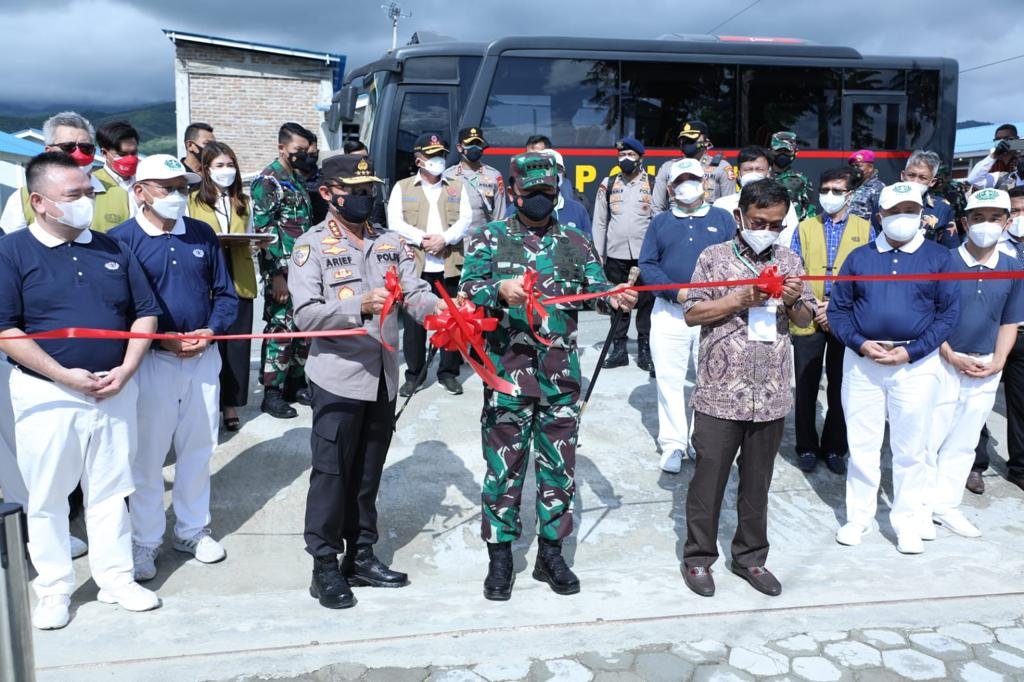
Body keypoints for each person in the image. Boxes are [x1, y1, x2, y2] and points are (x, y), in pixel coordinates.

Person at [459, 152, 637, 601]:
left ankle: (550, 555)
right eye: (531, 193)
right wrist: (498, 290)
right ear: (514, 191)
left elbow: (596, 290)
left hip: (561, 378)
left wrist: (615, 297)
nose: (540, 200)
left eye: (548, 193)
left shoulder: (573, 239)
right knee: (504, 470)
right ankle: (500, 557)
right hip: (507, 376)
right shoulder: (489, 237)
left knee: (559, 470)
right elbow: (466, 290)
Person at [0, 152, 163, 629]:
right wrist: (62, 375)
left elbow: (145, 313)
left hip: (115, 389)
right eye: (73, 196)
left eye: (88, 193)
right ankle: (53, 588)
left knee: (112, 491)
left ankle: (115, 578)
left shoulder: (113, 249)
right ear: (39, 202)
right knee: (47, 495)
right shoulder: (12, 252)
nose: (85, 202)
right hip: (47, 396)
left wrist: (128, 369)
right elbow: (6, 329)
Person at [289, 154, 444, 609]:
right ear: (328, 195)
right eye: (354, 191)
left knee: (367, 474)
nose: (364, 197)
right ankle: (323, 566)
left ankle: (360, 556)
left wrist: (445, 315)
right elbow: (304, 316)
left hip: (383, 376)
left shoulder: (391, 241)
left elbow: (414, 293)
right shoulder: (311, 246)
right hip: (338, 377)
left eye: (368, 189)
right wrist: (358, 305)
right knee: (332, 475)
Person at [679, 179, 814, 598]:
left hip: (771, 395)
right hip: (721, 393)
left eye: (776, 224)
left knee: (758, 484)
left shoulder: (790, 260)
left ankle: (751, 558)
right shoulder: (713, 259)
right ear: (740, 217)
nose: (768, 230)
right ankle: (699, 558)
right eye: (760, 222)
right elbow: (692, 313)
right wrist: (740, 299)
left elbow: (806, 320)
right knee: (709, 480)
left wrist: (792, 301)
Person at [109, 155, 238, 581]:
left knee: (199, 448)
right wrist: (155, 339)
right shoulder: (120, 240)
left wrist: (211, 330)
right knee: (147, 457)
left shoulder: (201, 233)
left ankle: (191, 529)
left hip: (202, 358)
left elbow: (225, 295)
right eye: (167, 188)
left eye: (183, 187)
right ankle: (144, 541)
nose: (178, 196)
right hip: (151, 363)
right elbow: (115, 309)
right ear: (140, 191)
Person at [828, 182, 960, 555]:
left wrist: (912, 352)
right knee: (863, 444)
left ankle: (907, 521)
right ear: (879, 216)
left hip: (914, 365)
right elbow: (839, 309)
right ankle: (859, 517)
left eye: (911, 210)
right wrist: (859, 343)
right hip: (863, 363)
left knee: (910, 449)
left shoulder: (939, 257)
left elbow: (949, 313)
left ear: (921, 214)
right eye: (895, 211)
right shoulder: (859, 257)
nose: (904, 218)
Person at [925, 188, 1024, 538]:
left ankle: (946, 505)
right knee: (931, 436)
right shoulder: (943, 261)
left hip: (985, 367)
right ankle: (920, 506)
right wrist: (949, 352)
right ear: (965, 222)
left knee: (965, 440)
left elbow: (1009, 321)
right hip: (943, 361)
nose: (985, 225)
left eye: (994, 218)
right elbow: (930, 314)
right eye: (978, 218)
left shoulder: (1013, 268)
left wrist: (998, 361)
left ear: (1006, 221)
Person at [639, 158, 736, 474]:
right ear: (670, 188)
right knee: (669, 380)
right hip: (671, 314)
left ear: (705, 183)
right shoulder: (661, 223)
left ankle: (700, 441)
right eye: (680, 181)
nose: (687, 186)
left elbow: (737, 259)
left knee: (709, 380)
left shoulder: (723, 219)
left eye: (693, 179)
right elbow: (648, 265)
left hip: (713, 315)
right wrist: (677, 293)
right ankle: (673, 444)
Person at [789, 167, 874, 475]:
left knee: (842, 386)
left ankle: (836, 447)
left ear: (850, 195)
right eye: (825, 190)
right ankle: (806, 446)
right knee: (806, 385)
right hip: (807, 316)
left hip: (846, 318)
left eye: (837, 191)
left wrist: (834, 307)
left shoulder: (866, 229)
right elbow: (794, 269)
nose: (829, 196)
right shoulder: (805, 227)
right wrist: (816, 306)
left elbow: (868, 274)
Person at [386, 132, 472, 397]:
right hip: (417, 266)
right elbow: (395, 222)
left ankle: (448, 373)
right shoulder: (402, 187)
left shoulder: (457, 185)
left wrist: (444, 238)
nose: (439, 160)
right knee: (414, 325)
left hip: (449, 264)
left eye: (442, 155)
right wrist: (423, 241)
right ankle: (415, 375)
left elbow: (466, 218)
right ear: (419, 160)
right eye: (433, 156)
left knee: (452, 321)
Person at [188, 142, 258, 432]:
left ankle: (230, 404)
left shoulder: (242, 200)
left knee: (237, 346)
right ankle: (202, 404)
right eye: (219, 166)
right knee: (208, 343)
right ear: (205, 170)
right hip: (207, 277)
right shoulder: (193, 201)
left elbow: (251, 233)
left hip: (239, 274)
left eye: (230, 165)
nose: (226, 171)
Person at [251, 122, 316, 418]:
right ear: (282, 148)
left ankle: (295, 383)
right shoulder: (268, 181)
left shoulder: (297, 178)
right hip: (282, 273)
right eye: (297, 151)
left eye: (306, 150)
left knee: (303, 328)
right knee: (280, 331)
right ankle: (272, 392)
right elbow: (265, 232)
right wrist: (276, 275)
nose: (303, 155)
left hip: (303, 270)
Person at [1, 112, 134, 234]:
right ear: (49, 151)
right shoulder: (23, 198)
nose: (78, 154)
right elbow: (9, 249)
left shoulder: (123, 197)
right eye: (68, 147)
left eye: (85, 148)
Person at [972, 186, 1024, 494]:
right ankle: (975, 465)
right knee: (977, 403)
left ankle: (1019, 467)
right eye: (1016, 211)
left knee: (1020, 405)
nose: (1019, 218)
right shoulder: (989, 244)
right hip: (991, 333)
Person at [592, 137, 655, 371]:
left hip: (644, 254)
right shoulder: (608, 184)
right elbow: (599, 221)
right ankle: (619, 350)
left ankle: (644, 349)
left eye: (630, 155)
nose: (625, 160)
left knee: (646, 302)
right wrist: (599, 253)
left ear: (640, 158)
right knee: (618, 301)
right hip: (616, 254)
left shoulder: (653, 183)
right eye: (621, 156)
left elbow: (657, 220)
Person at [713, 146, 799, 246]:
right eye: (748, 170)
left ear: (768, 173)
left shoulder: (782, 204)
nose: (753, 173)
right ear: (739, 173)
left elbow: (789, 238)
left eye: (759, 169)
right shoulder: (722, 204)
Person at [652, 120, 735, 216]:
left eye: (692, 139)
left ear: (706, 142)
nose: (687, 142)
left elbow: (729, 207)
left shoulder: (721, 167)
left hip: (709, 226)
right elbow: (656, 208)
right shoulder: (668, 167)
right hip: (676, 224)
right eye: (684, 138)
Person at [881, 150, 959, 249]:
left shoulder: (942, 208)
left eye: (922, 178)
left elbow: (950, 249)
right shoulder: (885, 201)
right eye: (911, 175)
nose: (915, 182)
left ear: (932, 182)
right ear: (903, 175)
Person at [443, 127, 506, 234]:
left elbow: (499, 215)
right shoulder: (448, 175)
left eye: (478, 143)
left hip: (483, 243)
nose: (475, 147)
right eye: (470, 143)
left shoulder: (494, 175)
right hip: (455, 243)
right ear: (459, 147)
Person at [93, 120, 141, 226]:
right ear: (104, 153)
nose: (130, 159)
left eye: (133, 153)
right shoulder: (93, 185)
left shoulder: (147, 181)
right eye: (122, 154)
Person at [539, 149, 592, 235]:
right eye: (545, 168)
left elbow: (588, 244)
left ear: (564, 173)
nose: (551, 174)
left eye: (557, 169)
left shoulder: (578, 210)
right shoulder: (518, 210)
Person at [771, 131, 817, 222]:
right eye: (778, 150)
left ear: (795, 152)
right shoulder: (762, 177)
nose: (782, 154)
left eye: (787, 151)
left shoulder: (802, 180)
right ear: (771, 151)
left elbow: (809, 211)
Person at [966, 124, 1022, 191]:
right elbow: (973, 180)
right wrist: (994, 155)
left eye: (1007, 139)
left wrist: (1020, 147)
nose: (1002, 142)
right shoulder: (988, 164)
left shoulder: (1021, 160)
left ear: (1016, 139)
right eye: (998, 139)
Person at [848, 149, 886, 221]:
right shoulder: (850, 186)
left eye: (858, 166)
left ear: (870, 168)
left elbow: (881, 216)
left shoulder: (878, 188)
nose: (855, 169)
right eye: (853, 166)